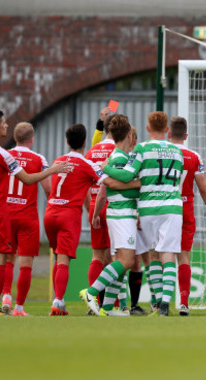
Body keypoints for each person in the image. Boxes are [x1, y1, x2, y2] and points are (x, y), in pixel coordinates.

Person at [102, 111, 184, 317]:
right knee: (169, 255)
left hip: (148, 207)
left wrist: (107, 169)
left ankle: (155, 303)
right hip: (173, 206)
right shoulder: (178, 151)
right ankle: (165, 303)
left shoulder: (141, 148)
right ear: (167, 130)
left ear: (148, 128)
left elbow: (128, 174)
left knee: (154, 255)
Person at [44, 124, 129, 316]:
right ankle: (108, 303)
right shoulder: (114, 153)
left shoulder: (60, 160)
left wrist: (91, 211)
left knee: (69, 258)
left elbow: (62, 187)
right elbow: (106, 182)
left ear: (67, 141)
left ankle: (63, 300)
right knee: (116, 258)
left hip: (50, 213)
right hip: (98, 210)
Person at [79, 114, 143, 316]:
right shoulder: (117, 158)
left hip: (120, 213)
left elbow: (122, 187)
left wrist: (136, 187)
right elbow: (118, 188)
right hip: (121, 213)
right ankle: (91, 292)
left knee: (122, 263)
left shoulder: (119, 157)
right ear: (129, 136)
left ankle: (107, 307)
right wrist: (142, 185)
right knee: (126, 261)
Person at [169, 116, 206, 316]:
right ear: (186, 136)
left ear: (168, 133)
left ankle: (160, 302)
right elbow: (203, 189)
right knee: (184, 256)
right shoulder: (194, 156)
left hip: (165, 208)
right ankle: (184, 303)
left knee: (159, 255)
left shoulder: (163, 152)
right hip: (186, 210)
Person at [0, 122, 51, 316]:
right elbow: (48, 189)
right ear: (32, 139)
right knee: (26, 263)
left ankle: (6, 296)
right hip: (27, 217)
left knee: (6, 259)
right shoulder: (38, 158)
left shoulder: (5, 155)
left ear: (14, 137)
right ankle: (19, 308)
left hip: (7, 214)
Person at [85, 113, 116, 289]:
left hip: (94, 203)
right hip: (114, 204)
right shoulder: (119, 150)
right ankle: (116, 304)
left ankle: (93, 300)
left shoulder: (91, 151)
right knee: (116, 256)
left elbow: (85, 182)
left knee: (96, 256)